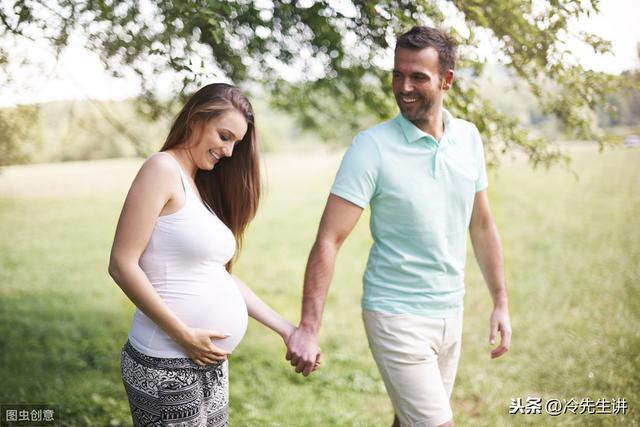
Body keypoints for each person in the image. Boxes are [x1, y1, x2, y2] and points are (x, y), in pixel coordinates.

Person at [285, 26, 512, 427]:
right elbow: (329, 239)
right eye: (397, 74)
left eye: (417, 77)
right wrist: (308, 326)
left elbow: (482, 224)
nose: (403, 86)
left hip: (450, 311)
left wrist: (500, 301)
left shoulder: (469, 139)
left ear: (446, 80)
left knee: (409, 421)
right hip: (395, 315)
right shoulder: (371, 148)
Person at [108, 83, 295, 427]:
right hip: (166, 362)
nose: (228, 151)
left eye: (235, 143)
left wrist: (285, 328)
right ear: (196, 120)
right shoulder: (162, 169)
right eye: (224, 136)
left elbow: (217, 276)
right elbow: (121, 263)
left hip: (205, 360)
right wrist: (183, 334)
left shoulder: (198, 185)